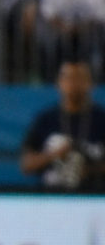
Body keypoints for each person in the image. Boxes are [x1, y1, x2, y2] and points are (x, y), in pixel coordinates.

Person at [21, 60, 105, 189]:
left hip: (94, 196)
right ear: (59, 83)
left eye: (80, 78)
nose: (74, 83)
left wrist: (88, 169)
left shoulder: (100, 119)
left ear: (90, 84)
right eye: (69, 78)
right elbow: (26, 165)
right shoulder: (46, 119)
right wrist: (53, 155)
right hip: (50, 197)